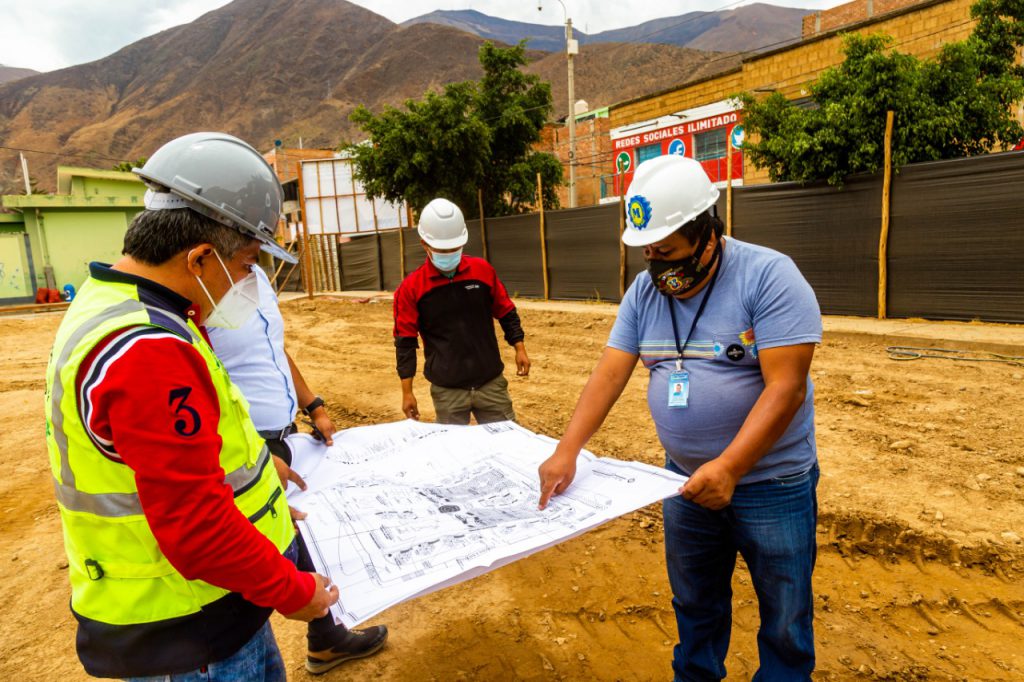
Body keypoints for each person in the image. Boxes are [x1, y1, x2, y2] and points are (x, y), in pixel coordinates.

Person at [44, 132, 337, 681]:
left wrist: (259, 477)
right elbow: (197, 528)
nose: (250, 281)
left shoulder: (121, 304)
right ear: (201, 258)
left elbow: (182, 457)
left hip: (205, 617)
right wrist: (295, 592)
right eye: (248, 265)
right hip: (185, 633)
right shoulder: (149, 350)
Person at [537, 154, 822, 681]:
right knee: (694, 604)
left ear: (707, 235)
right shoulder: (645, 293)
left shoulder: (769, 277)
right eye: (648, 252)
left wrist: (730, 468)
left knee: (785, 616)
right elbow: (609, 374)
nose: (656, 265)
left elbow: (786, 388)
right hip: (685, 482)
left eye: (666, 252)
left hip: (771, 483)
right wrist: (567, 450)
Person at [207, 263, 388, 675]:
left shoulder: (254, 278)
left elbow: (274, 350)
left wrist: (313, 405)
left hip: (282, 435)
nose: (254, 257)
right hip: (246, 443)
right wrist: (249, 455)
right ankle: (316, 633)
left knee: (301, 526)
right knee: (261, 540)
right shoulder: (201, 292)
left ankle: (326, 635)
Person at [393, 197, 530, 424]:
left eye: (454, 247)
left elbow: (506, 312)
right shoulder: (411, 289)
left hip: (491, 383)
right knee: (453, 445)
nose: (449, 253)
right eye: (442, 249)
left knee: (506, 439)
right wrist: (407, 392)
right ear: (424, 244)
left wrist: (520, 348)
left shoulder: (482, 271)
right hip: (448, 391)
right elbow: (405, 342)